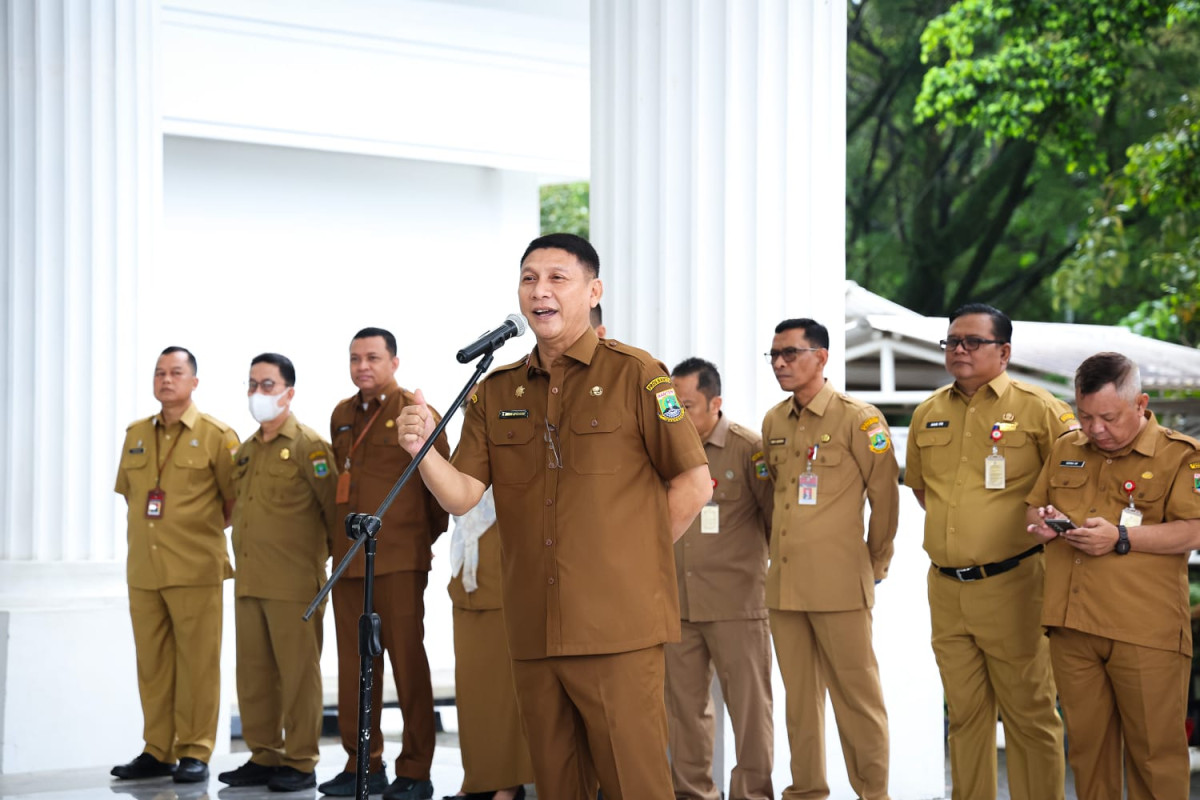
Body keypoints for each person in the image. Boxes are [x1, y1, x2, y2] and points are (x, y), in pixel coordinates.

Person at [396, 233, 712, 800]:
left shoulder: (638, 374)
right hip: (533, 627)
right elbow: (464, 493)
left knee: (634, 784)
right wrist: (423, 453)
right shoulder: (496, 389)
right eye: (528, 279)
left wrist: (634, 565)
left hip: (618, 627)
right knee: (556, 784)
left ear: (593, 292)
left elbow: (694, 482)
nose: (540, 291)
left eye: (556, 278)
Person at [906, 303, 1073, 800]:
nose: (959, 349)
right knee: (964, 716)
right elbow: (923, 490)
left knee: (1029, 714)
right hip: (947, 587)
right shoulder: (928, 411)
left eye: (972, 341)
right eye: (952, 341)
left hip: (1015, 583)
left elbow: (1073, 482)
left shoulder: (1039, 408)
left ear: (1003, 352)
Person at [1026, 352, 1200, 800]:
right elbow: (1035, 503)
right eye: (1085, 416)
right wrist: (1044, 522)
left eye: (1108, 417)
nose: (1095, 428)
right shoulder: (1067, 446)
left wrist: (1122, 537)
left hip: (1144, 630)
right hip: (1073, 626)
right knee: (1088, 753)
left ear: (1141, 404)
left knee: (1154, 757)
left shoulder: (1180, 455)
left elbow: (1195, 529)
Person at [761, 318, 898, 800]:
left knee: (857, 702)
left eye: (790, 353)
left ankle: (873, 794)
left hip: (840, 585)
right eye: (774, 355)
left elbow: (886, 500)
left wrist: (874, 564)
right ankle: (806, 792)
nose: (780, 363)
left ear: (821, 357)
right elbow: (773, 500)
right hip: (784, 588)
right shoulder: (774, 421)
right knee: (799, 704)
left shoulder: (859, 418)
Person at [321, 328, 450, 800]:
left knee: (406, 663)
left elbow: (442, 486)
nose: (362, 367)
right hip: (350, 562)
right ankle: (363, 765)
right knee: (355, 665)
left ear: (394, 362)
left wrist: (417, 541)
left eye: (373, 357)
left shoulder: (415, 413)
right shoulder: (341, 415)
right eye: (355, 358)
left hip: (397, 561)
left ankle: (415, 769)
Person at [112, 346, 240, 784]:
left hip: (195, 569)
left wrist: (192, 534)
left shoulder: (216, 435)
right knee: (153, 664)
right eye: (159, 372)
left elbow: (233, 502)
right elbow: (132, 494)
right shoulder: (135, 434)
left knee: (198, 664)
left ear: (194, 382)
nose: (166, 379)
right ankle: (157, 749)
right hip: (145, 571)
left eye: (176, 372)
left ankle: (195, 750)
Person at [218, 353, 338, 792]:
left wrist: (317, 571)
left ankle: (301, 760)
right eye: (252, 385)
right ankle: (263, 754)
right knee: (253, 675)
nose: (257, 394)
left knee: (297, 676)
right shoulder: (246, 451)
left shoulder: (310, 445)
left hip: (294, 585)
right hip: (249, 581)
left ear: (288, 392)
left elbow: (332, 514)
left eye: (267, 385)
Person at [666, 357, 774, 800]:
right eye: (671, 405)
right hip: (678, 605)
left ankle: (751, 795)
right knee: (684, 714)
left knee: (750, 712)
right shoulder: (664, 452)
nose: (676, 415)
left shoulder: (749, 449)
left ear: (716, 403)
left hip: (737, 606)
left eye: (686, 405)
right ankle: (694, 795)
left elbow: (773, 523)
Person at [442, 489, 534, 800]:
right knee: (472, 693)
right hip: (468, 584)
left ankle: (508, 783)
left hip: (505, 582)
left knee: (506, 695)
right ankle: (478, 778)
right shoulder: (467, 445)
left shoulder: (522, 443)